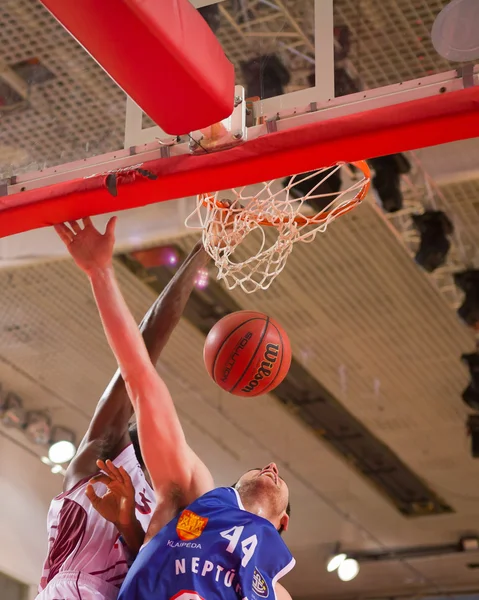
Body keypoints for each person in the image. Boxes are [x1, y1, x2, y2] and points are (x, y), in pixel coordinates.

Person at [55, 217, 295, 600]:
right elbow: (140, 377)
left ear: (282, 523)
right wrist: (100, 273)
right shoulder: (196, 501)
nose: (271, 466)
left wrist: (131, 526)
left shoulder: (276, 590)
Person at [37, 219, 209, 600]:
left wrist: (130, 522)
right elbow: (140, 354)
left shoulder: (175, 504)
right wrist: (206, 248)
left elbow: (157, 575)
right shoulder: (96, 468)